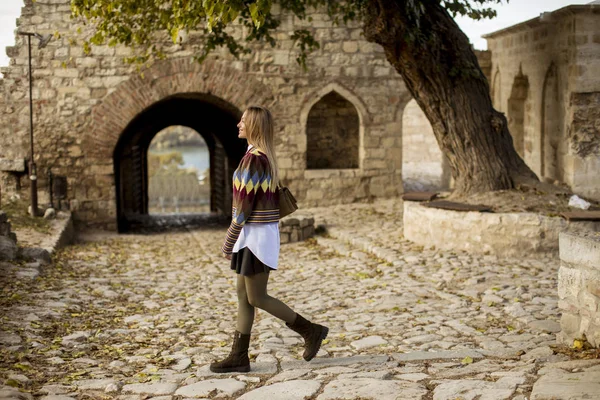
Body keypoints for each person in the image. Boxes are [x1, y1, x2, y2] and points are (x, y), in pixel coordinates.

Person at [210, 106, 329, 373]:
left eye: (243, 121)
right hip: (251, 236)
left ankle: (310, 330)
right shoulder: (256, 156)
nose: (238, 123)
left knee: (257, 297)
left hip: (256, 237)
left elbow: (243, 210)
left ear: (254, 125)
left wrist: (228, 242)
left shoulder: (254, 160)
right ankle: (239, 357)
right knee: (243, 296)